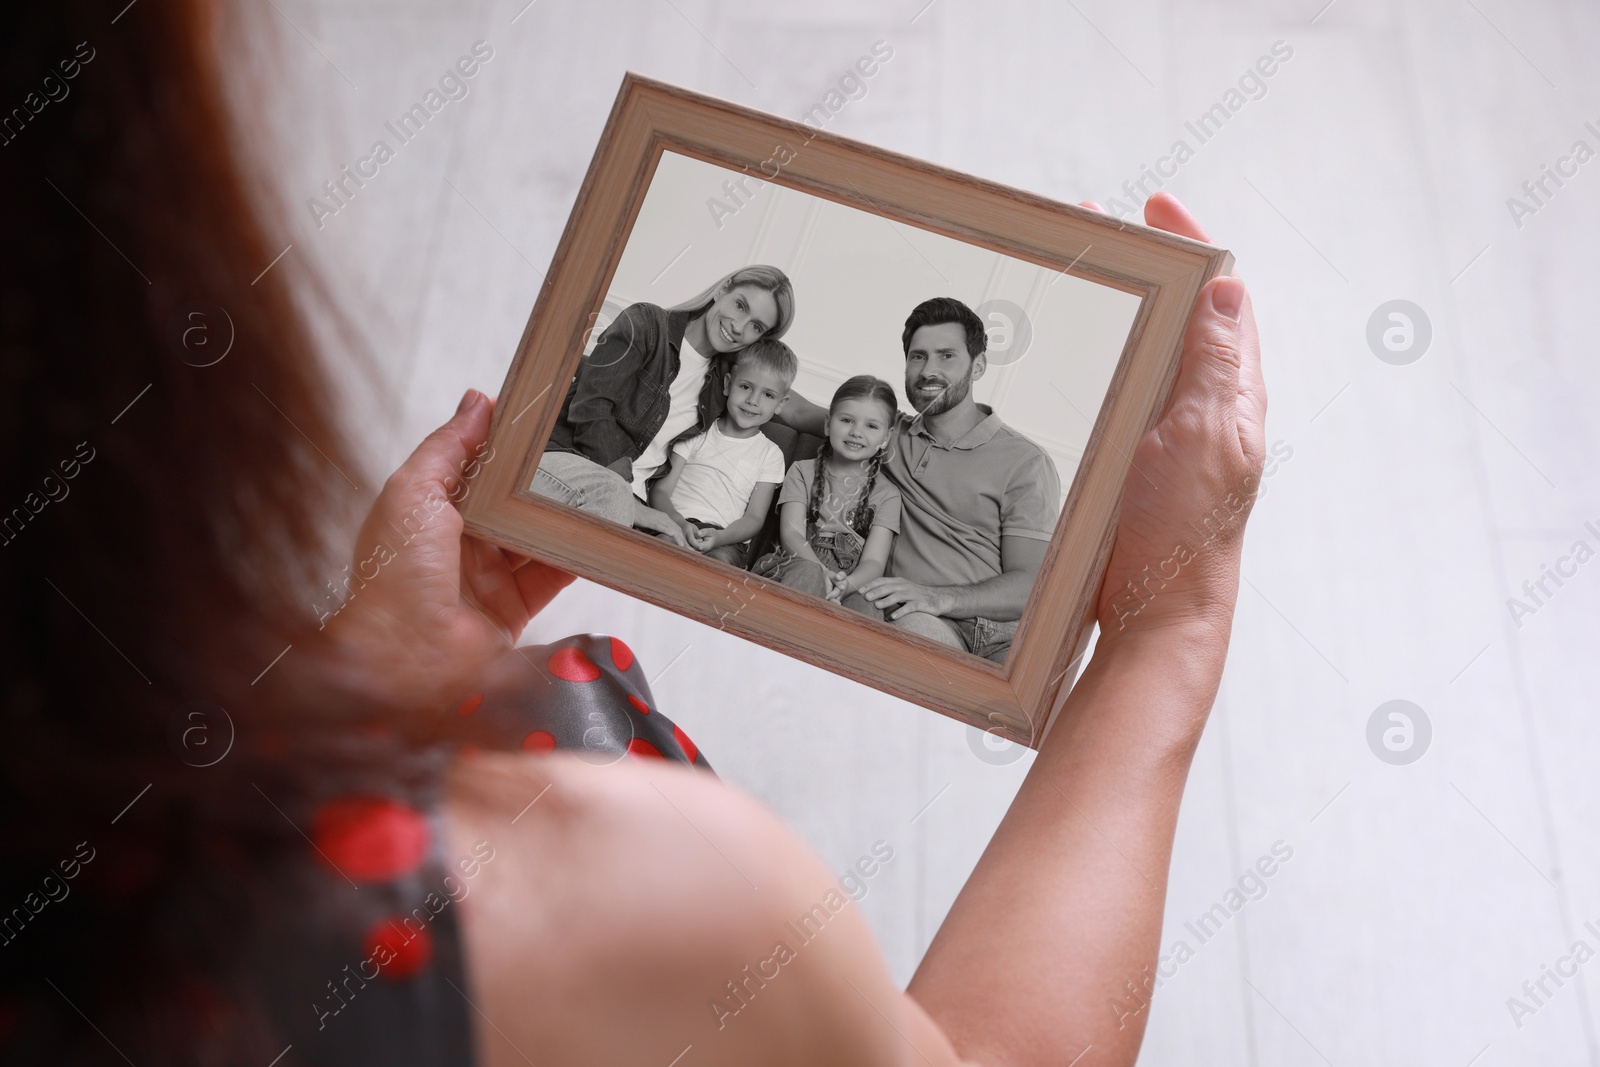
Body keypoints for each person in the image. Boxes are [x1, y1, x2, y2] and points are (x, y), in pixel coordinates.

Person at [2, 4, 1269, 1065]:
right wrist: (1171, 616)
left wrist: (387, 653)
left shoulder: (947, 452)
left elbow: (859, 489)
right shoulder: (636, 900)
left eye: (943, 363)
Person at [533, 264, 808, 546]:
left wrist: (842, 419)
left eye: (756, 327)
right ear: (722, 290)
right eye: (740, 306)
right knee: (613, 502)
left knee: (677, 549)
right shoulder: (647, 324)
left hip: (635, 502)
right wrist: (633, 505)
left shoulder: (724, 381)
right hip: (570, 464)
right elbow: (590, 406)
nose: (739, 327)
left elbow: (786, 400)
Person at [855, 297, 1061, 661]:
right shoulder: (885, 435)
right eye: (918, 356)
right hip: (912, 617)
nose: (928, 370)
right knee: (905, 630)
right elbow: (789, 405)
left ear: (978, 366)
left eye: (946, 356)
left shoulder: (1026, 461)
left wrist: (939, 597)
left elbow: (1031, 586)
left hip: (991, 631)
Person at [750, 375, 902, 618]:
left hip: (849, 581)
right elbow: (791, 534)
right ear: (829, 424)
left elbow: (874, 561)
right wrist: (822, 573)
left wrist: (844, 586)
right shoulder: (802, 471)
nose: (856, 432)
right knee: (809, 574)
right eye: (847, 420)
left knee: (868, 605)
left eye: (871, 426)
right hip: (796, 564)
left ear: (886, 437)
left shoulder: (888, 495)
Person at [648, 338, 796, 568]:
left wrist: (720, 537)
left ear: (780, 403)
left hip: (726, 539)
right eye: (745, 387)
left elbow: (754, 518)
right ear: (728, 384)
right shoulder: (698, 431)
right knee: (661, 550)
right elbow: (662, 490)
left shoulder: (770, 454)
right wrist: (678, 524)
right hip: (676, 522)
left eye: (768, 395)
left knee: (719, 566)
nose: (752, 401)